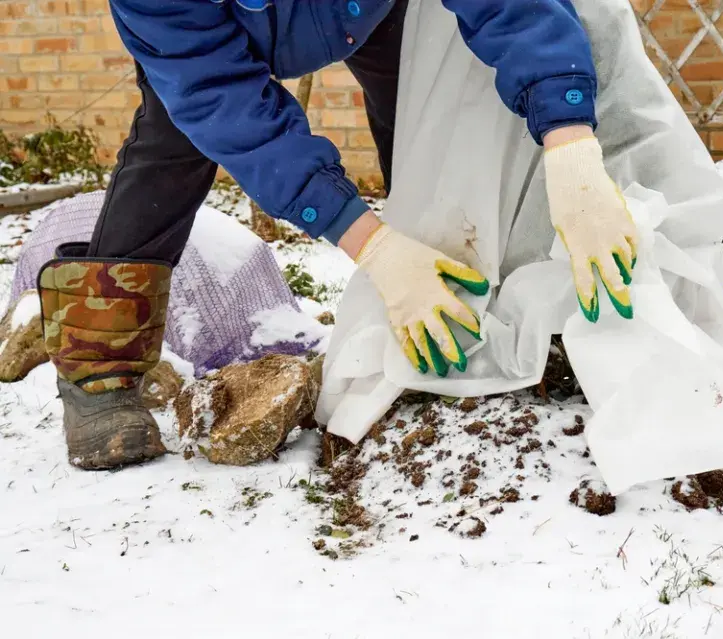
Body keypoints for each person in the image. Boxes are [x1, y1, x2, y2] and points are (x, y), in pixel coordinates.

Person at [37, 0, 639, 471]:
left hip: (368, 10)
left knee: (421, 119)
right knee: (169, 147)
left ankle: (457, 299)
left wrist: (568, 136)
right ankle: (98, 369)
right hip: (212, 45)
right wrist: (371, 245)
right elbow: (223, 103)